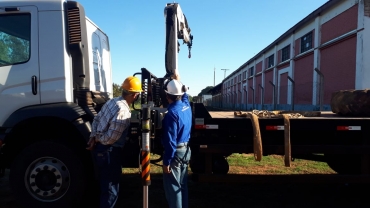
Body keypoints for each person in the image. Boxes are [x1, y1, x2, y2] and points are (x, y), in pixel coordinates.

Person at [86, 76, 142, 208]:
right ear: (135, 95)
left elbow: (97, 119)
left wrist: (93, 136)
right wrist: (97, 138)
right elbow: (111, 138)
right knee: (111, 189)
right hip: (109, 152)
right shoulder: (123, 111)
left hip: (101, 150)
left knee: (105, 184)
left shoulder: (112, 101)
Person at [162, 75, 192, 208]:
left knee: (174, 188)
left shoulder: (171, 113)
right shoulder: (186, 106)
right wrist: (178, 80)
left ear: (167, 95)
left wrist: (167, 161)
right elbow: (185, 96)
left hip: (176, 154)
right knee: (182, 185)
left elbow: (170, 142)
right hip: (186, 151)